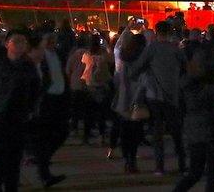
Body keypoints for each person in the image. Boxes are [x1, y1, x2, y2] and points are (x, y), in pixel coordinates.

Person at [0, 32, 41, 192]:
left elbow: (36, 89)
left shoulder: (28, 66)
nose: (20, 44)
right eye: (16, 41)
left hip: (19, 117)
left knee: (14, 158)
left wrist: (31, 109)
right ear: (7, 44)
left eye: (23, 41)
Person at [129, 20, 187, 175]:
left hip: (154, 94)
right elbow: (185, 69)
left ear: (156, 32)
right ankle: (182, 164)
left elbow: (137, 68)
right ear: (170, 32)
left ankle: (160, 166)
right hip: (173, 94)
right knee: (176, 130)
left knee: (157, 131)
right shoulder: (176, 50)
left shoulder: (151, 49)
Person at [174, 44, 214, 191]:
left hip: (192, 129)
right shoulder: (213, 85)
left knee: (195, 172)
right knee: (212, 174)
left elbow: (180, 106)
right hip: (211, 129)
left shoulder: (184, 82)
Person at [29, 33, 68, 188]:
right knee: (45, 136)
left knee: (62, 133)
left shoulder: (57, 55)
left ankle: (41, 160)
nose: (52, 43)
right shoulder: (39, 57)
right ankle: (44, 171)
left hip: (58, 100)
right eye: (48, 41)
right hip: (46, 101)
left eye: (53, 41)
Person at [112, 22, 148, 173]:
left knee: (125, 131)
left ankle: (127, 159)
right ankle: (132, 160)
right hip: (137, 99)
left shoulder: (124, 59)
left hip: (123, 99)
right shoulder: (144, 62)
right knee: (135, 132)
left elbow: (118, 80)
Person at [80, 35, 113, 146]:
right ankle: (102, 136)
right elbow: (111, 59)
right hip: (101, 86)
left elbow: (83, 67)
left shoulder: (87, 55)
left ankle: (86, 136)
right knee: (102, 113)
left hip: (89, 85)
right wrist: (107, 46)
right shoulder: (103, 56)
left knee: (89, 113)